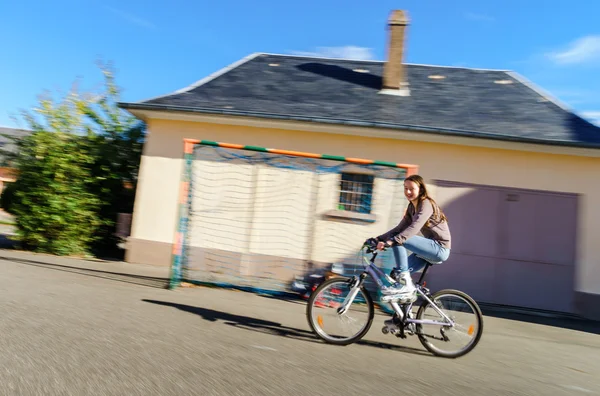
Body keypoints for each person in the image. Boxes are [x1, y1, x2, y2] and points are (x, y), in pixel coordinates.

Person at [367, 174, 451, 301]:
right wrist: (379, 239)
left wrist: (393, 241)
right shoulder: (412, 207)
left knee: (402, 272)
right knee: (396, 277)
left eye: (411, 188)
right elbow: (399, 229)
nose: (408, 192)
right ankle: (405, 318)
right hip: (428, 250)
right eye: (405, 188)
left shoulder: (426, 204)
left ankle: (404, 279)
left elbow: (415, 227)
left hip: (439, 248)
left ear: (420, 189)